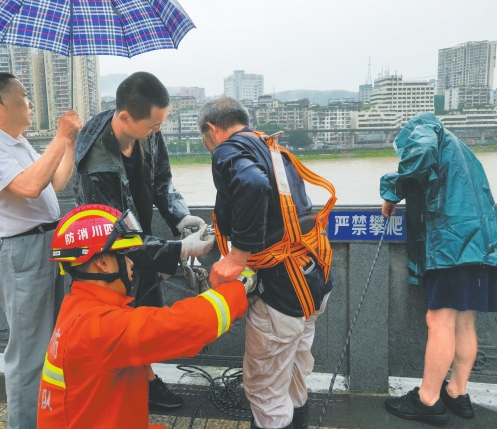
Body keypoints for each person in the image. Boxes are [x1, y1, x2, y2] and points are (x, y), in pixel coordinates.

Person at [37, 204, 250, 428]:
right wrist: (239, 288)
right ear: (102, 263)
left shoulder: (78, 306)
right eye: (125, 255)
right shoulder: (98, 327)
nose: (132, 263)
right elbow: (184, 325)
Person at [198, 96, 335, 429]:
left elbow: (252, 184)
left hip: (281, 290)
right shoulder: (273, 149)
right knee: (295, 372)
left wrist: (237, 256)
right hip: (314, 278)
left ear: (212, 130)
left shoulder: (227, 150)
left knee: (264, 389)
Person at [73, 71, 207, 408]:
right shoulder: (96, 162)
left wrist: (180, 218)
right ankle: (136, 387)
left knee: (142, 313)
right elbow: (120, 234)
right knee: (124, 320)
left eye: (160, 124)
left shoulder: (147, 131)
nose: (157, 131)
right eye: (152, 126)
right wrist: (181, 250)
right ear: (124, 117)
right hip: (108, 254)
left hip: (140, 240)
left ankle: (143, 382)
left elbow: (162, 181)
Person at [0, 72, 82, 428]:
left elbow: (53, 183)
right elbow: (29, 186)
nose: (30, 102)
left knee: (55, 345)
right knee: (29, 355)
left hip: (48, 245)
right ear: (0, 99)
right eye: (24, 95)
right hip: (20, 254)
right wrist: (59, 136)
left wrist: (69, 144)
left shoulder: (17, 142)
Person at [380, 113, 497, 425]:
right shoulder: (461, 148)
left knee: (439, 321)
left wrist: (393, 190)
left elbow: (420, 154)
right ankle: (456, 392)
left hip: (453, 242)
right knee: (465, 322)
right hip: (482, 243)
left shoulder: (424, 127)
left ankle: (428, 399)